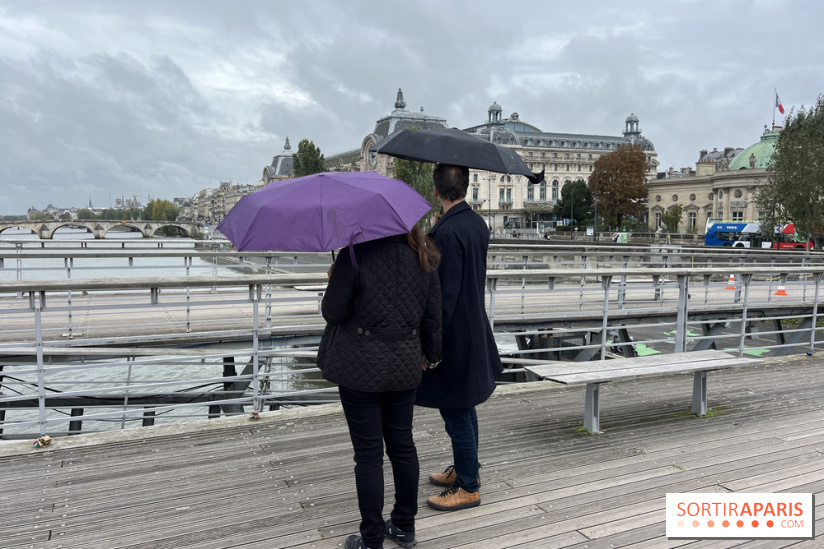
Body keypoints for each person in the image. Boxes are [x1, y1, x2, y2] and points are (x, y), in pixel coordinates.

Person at [317, 227, 442, 549]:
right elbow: (433, 317)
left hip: (360, 369)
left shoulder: (355, 255)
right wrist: (431, 356)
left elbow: (333, 313)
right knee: (403, 446)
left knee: (369, 456)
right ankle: (403, 526)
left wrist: (335, 277)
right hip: (404, 366)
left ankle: (371, 539)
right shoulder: (423, 255)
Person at [416, 164, 503, 512]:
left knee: (455, 410)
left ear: (436, 191)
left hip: (454, 335)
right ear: (466, 187)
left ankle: (468, 486)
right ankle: (469, 471)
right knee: (464, 407)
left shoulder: (446, 232)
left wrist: (430, 345)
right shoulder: (476, 224)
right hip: (474, 327)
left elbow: (443, 297)